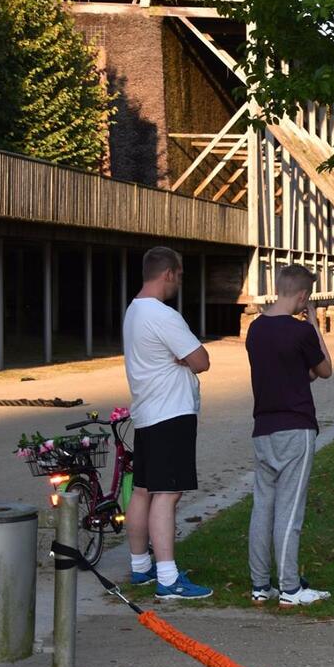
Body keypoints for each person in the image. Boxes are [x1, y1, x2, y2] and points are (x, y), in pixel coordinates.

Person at [122, 246, 213, 599]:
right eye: (180, 275)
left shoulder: (133, 311)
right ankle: (168, 577)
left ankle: (140, 566)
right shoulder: (163, 315)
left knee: (143, 489)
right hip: (171, 413)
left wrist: (180, 358)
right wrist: (185, 358)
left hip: (147, 412)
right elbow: (201, 360)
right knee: (167, 493)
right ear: (169, 273)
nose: (180, 282)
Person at [244, 264, 333, 607]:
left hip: (263, 426)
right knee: (290, 509)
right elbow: (324, 369)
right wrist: (314, 325)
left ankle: (260, 583)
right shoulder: (301, 331)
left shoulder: (255, 329)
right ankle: (290, 588)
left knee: (263, 507)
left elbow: (291, 371)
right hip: (295, 426)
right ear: (303, 295)